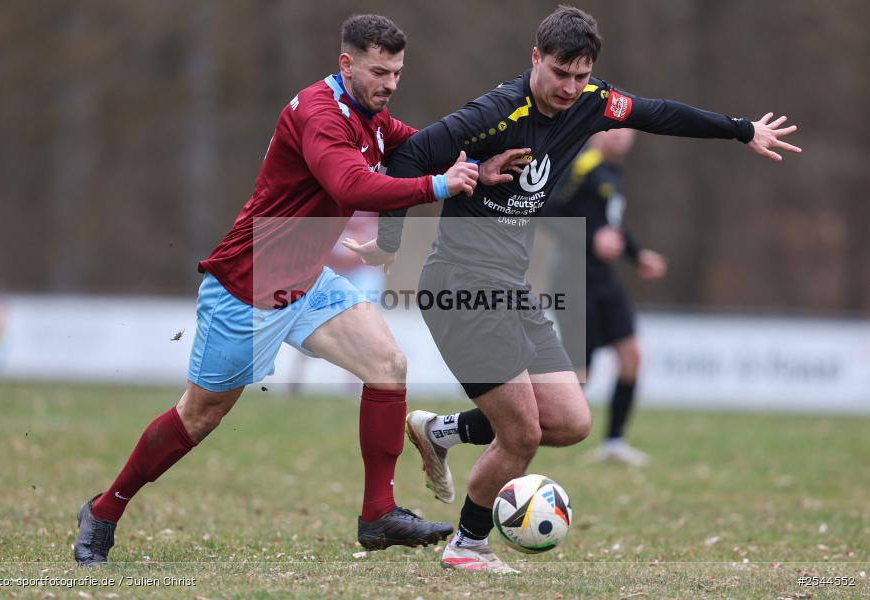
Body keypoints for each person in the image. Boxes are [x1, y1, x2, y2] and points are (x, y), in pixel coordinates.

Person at [346, 5, 800, 573]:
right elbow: (407, 156)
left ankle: (440, 430)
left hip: (513, 286)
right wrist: (389, 243)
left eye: (581, 75)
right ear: (536, 58)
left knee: (570, 422)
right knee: (522, 434)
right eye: (560, 72)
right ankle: (468, 544)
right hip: (462, 286)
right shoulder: (493, 112)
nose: (570, 87)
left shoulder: (593, 103)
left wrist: (742, 130)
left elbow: (657, 113)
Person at [72, 14, 522, 565]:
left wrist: (479, 163)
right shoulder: (318, 113)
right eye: (380, 71)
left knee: (388, 366)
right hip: (251, 279)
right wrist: (437, 185)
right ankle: (104, 509)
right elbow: (349, 184)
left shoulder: (373, 119)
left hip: (308, 279)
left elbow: (421, 148)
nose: (390, 84)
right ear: (346, 64)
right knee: (200, 414)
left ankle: (377, 515)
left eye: (398, 73)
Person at [543, 128, 666, 465]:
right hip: (573, 277)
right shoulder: (581, 165)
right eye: (613, 128)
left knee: (632, 357)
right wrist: (590, 238)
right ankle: (534, 431)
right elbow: (546, 211)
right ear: (596, 129)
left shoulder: (612, 171)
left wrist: (638, 255)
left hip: (604, 279)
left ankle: (614, 443)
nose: (621, 136)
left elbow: (611, 226)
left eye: (627, 130)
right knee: (582, 370)